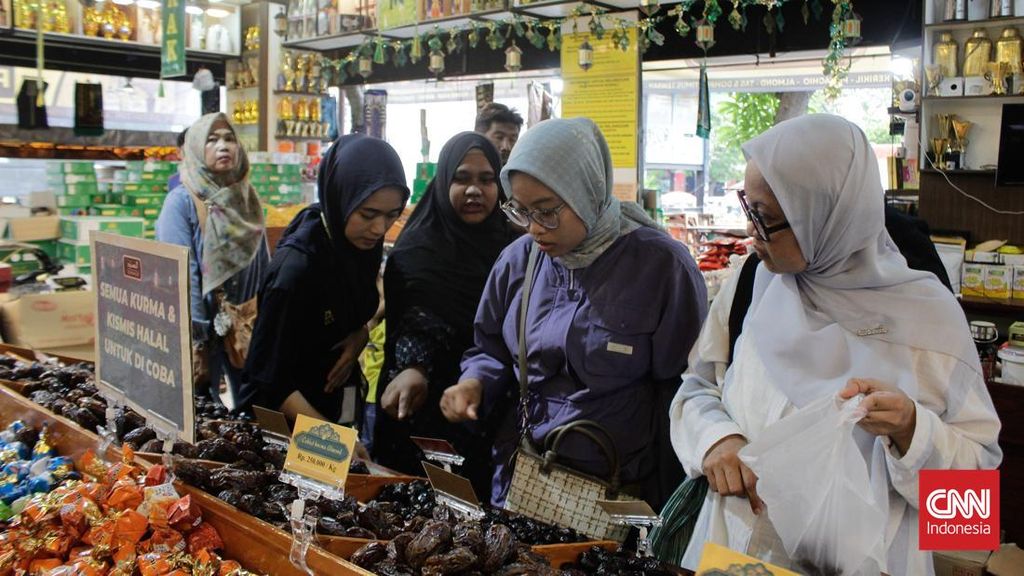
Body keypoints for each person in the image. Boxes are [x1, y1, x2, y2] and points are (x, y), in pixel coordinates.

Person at [669, 114, 1001, 574]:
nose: (750, 232)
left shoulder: (928, 320)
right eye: (749, 209)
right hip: (733, 556)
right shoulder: (754, 286)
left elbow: (969, 514)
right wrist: (717, 439)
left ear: (823, 216)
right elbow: (697, 388)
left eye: (765, 218)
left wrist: (912, 432)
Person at [441, 118, 707, 509]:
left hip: (619, 487)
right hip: (529, 475)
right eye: (521, 211)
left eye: (546, 211)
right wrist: (474, 381)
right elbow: (491, 347)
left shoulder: (661, 267)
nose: (534, 228)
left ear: (586, 192)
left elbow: (684, 385)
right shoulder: (519, 261)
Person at [374, 133, 516, 496]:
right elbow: (414, 320)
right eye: (461, 178)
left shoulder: (516, 249)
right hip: (417, 404)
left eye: (487, 179)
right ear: (443, 183)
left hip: (488, 406)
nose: (474, 190)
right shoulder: (415, 251)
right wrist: (415, 365)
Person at [245, 134, 408, 426]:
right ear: (340, 197)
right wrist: (330, 441)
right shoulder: (296, 270)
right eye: (368, 214)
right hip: (293, 422)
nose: (379, 228)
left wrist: (361, 334)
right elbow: (268, 379)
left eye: (391, 215)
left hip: (333, 407)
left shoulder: (354, 246)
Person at [156, 112, 268, 407]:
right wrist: (197, 335)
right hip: (203, 324)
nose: (223, 146)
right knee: (202, 404)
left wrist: (264, 315)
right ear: (195, 147)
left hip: (245, 321)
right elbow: (181, 274)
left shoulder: (246, 197)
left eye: (230, 139)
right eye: (212, 140)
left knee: (252, 403)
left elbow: (262, 260)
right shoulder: (182, 202)